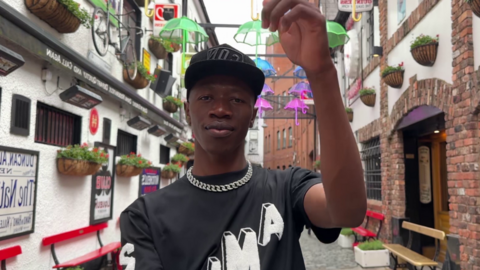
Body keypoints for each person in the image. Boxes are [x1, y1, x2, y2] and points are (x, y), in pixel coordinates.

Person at [119, 0, 367, 269]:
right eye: (206, 97)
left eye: (237, 100)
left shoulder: (287, 188)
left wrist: (321, 72)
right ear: (188, 110)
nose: (221, 109)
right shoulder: (144, 216)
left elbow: (347, 210)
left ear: (252, 115)